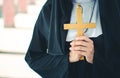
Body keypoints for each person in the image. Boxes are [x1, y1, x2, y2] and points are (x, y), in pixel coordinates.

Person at [25, 0, 120, 78]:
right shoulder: (51, 8)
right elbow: (33, 58)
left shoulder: (115, 6)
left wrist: (96, 58)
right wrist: (67, 59)